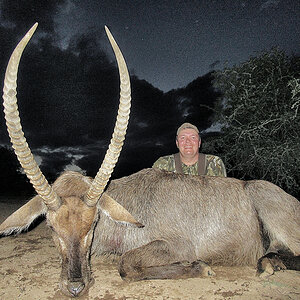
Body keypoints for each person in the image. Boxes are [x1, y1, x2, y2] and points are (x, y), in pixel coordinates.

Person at [152, 122, 227, 176]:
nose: (188, 141)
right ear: (177, 143)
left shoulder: (215, 163)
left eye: (193, 137)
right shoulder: (162, 164)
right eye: (183, 138)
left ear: (199, 142)